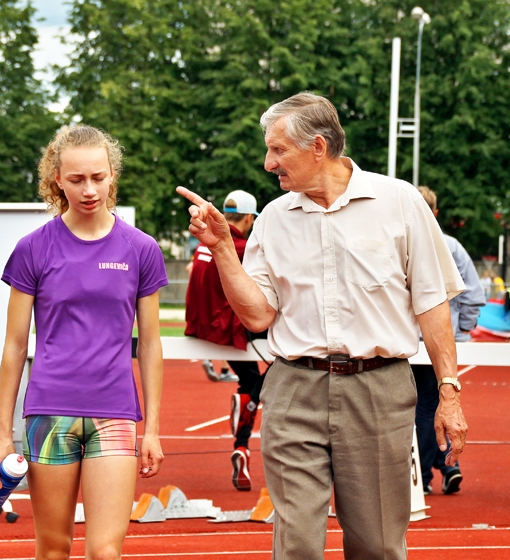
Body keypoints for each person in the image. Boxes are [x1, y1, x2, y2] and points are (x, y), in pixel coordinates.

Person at [177, 91, 468, 560]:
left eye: (277, 150)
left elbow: (432, 304)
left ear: (317, 146)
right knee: (296, 548)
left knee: (377, 546)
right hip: (294, 389)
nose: (268, 163)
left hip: (379, 390)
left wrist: (449, 393)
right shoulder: (273, 218)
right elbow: (256, 315)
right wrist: (224, 250)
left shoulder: (400, 202)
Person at [0, 125, 167, 559]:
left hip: (116, 415)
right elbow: (14, 345)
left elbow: (152, 345)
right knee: (53, 549)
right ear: (56, 181)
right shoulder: (33, 249)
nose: (90, 190)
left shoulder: (141, 249)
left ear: (112, 176)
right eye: (77, 179)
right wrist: (1, 435)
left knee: (105, 551)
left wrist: (154, 429)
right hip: (49, 415)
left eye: (99, 177)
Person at [185, 189, 265, 491]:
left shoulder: (202, 245)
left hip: (202, 327)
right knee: (286, 367)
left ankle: (242, 438)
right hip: (230, 328)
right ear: (248, 218)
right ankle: (242, 441)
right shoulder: (242, 246)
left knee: (250, 380)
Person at [414, 186, 485, 496]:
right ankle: (446, 466)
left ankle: (427, 472)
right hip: (442, 340)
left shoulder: (403, 243)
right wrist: (460, 332)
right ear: (436, 212)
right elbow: (474, 295)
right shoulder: (452, 246)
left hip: (410, 339)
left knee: (420, 407)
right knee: (434, 403)